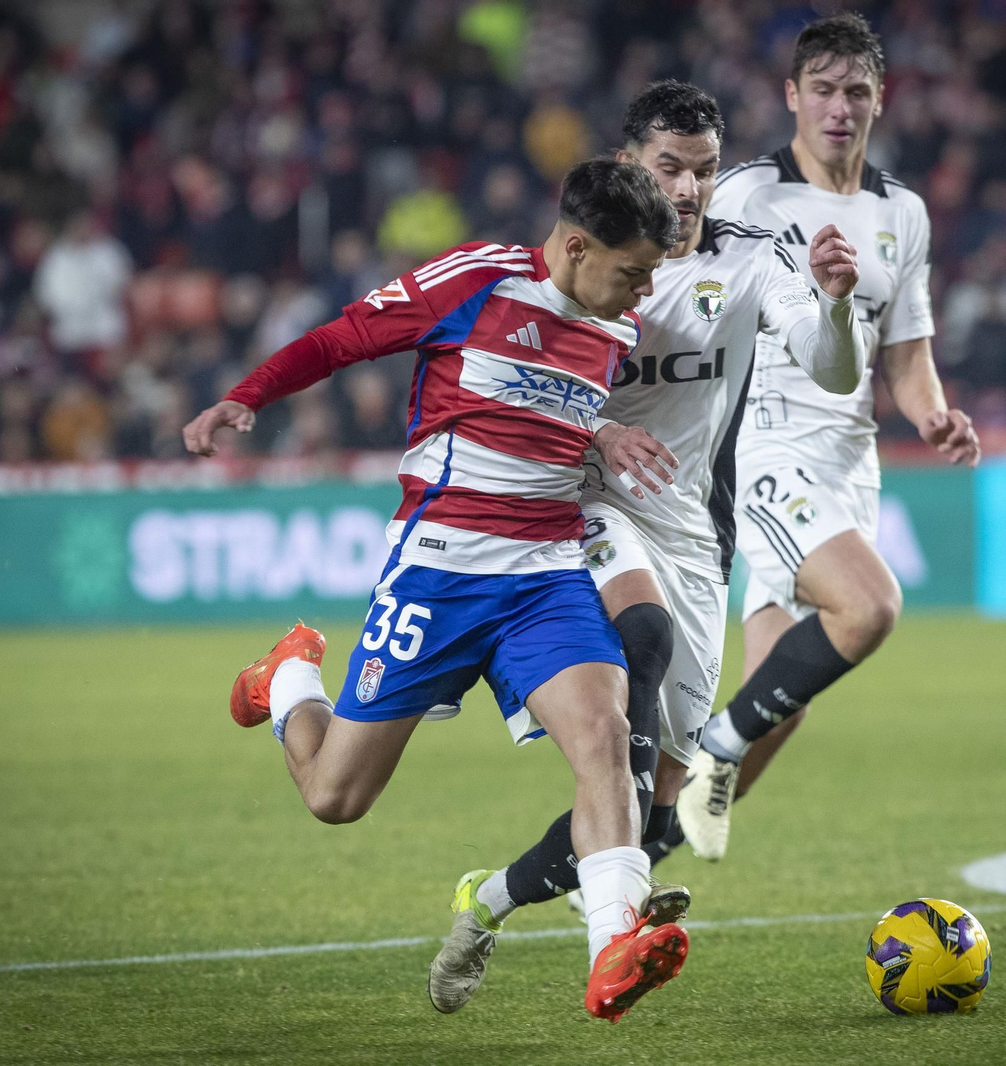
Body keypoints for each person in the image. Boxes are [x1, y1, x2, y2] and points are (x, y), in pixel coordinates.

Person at [182, 160, 689, 1023]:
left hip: (545, 573)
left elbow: (552, 406)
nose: (646, 287)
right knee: (336, 799)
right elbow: (341, 339)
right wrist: (246, 396)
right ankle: (290, 679)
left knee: (605, 735)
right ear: (575, 245)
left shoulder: (615, 323)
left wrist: (601, 428)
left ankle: (613, 948)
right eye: (635, 269)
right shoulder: (476, 280)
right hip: (442, 571)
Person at [427, 80, 869, 1011]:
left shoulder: (755, 261)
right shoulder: (585, 258)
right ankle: (618, 937)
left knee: (661, 811)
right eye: (669, 167)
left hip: (691, 529)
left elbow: (832, 369)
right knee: (643, 641)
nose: (688, 189)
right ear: (630, 164)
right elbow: (514, 374)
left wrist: (832, 303)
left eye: (704, 171)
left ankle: (488, 901)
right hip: (578, 500)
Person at [672, 13, 981, 863]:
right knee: (870, 603)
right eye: (823, 89)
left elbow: (906, 355)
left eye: (855, 91)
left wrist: (932, 415)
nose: (838, 106)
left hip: (851, 460)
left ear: (881, 98)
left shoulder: (903, 214)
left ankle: (625, 869)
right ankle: (716, 748)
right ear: (792, 96)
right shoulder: (743, 194)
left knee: (785, 698)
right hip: (762, 444)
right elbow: (681, 295)